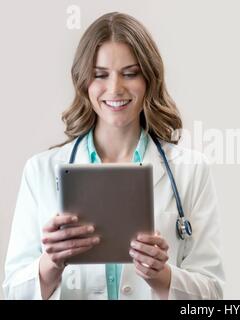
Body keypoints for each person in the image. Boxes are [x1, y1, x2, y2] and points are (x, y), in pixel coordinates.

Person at [3, 12, 225, 300]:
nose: (115, 88)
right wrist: (50, 265)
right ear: (85, 82)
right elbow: (11, 294)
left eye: (130, 73)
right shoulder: (40, 171)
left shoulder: (190, 171)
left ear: (149, 79)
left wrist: (163, 276)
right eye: (100, 74)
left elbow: (213, 296)